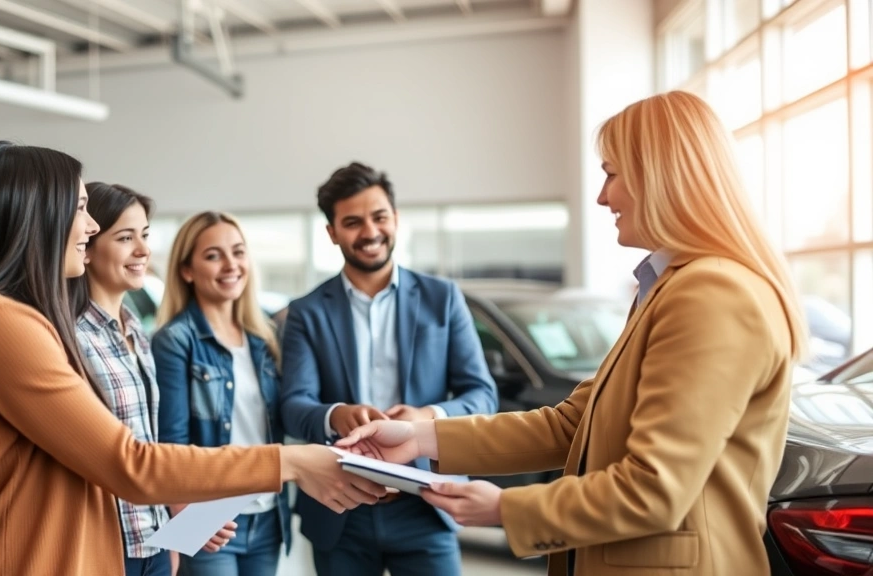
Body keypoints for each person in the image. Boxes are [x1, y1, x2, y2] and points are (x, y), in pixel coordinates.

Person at [337, 91, 808, 576]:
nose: (603, 197)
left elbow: (654, 489)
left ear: (659, 175)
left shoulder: (712, 294)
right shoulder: (671, 285)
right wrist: (417, 438)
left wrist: (504, 509)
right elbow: (570, 426)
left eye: (611, 174)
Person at [0, 141, 386, 576]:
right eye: (80, 208)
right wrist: (294, 462)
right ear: (35, 216)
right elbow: (129, 463)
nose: (91, 224)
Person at [279, 162, 499, 576]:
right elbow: (292, 404)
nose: (369, 232)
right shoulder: (306, 312)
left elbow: (482, 394)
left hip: (427, 503)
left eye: (379, 217)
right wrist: (334, 415)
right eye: (352, 222)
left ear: (395, 219)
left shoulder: (443, 298)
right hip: (339, 506)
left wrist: (427, 419)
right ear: (332, 232)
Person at [69, 183, 235, 576]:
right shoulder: (70, 338)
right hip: (103, 546)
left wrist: (174, 529)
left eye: (144, 235)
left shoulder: (137, 333)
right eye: (126, 238)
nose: (143, 251)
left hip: (153, 541)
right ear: (87, 248)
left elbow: (150, 443)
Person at [151, 211, 293, 576]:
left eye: (238, 252)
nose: (231, 264)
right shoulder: (175, 340)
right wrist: (181, 510)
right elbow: (172, 440)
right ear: (187, 270)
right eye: (213, 255)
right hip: (208, 513)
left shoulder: (264, 338)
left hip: (267, 513)